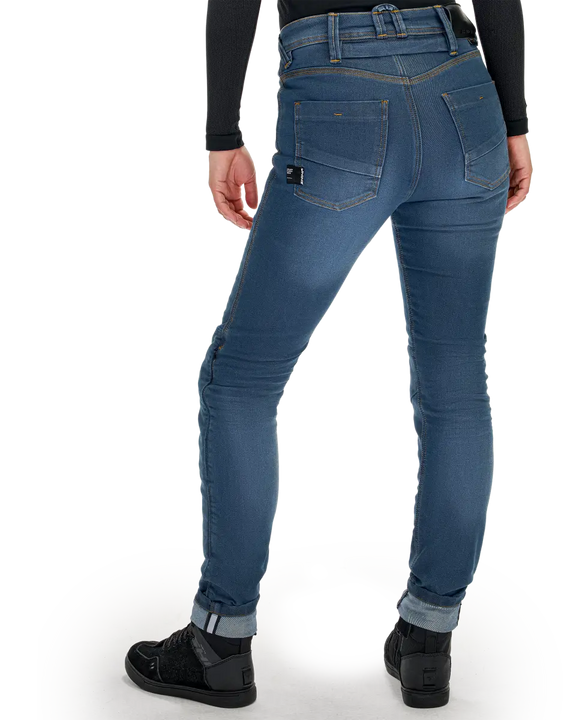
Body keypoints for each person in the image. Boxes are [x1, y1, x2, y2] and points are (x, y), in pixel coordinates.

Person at [125, 0, 532, 710]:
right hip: (462, 93)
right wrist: (516, 122)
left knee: (239, 381)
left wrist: (222, 131)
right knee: (456, 385)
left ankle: (218, 643)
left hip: (339, 91)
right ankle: (428, 638)